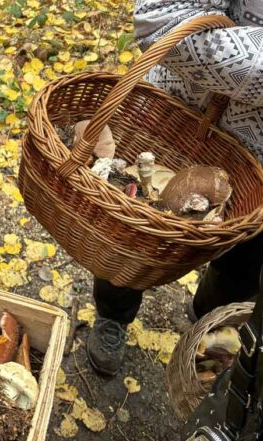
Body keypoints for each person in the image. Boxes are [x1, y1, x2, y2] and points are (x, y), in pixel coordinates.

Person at [87, 0, 263, 377]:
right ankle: (113, 315)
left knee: (244, 266)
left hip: (259, 164)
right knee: (134, 227)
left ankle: (206, 332)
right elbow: (159, 19)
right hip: (180, 121)